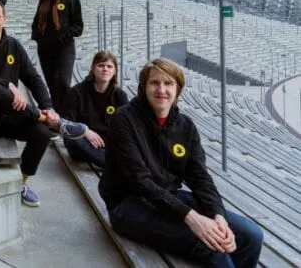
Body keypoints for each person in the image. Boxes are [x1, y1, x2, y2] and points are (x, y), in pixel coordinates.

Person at [99, 58, 264, 267]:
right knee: (211, 245)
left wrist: (217, 215)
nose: (161, 90)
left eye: (168, 83)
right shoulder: (124, 119)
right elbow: (138, 180)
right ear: (143, 87)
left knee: (252, 236)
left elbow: (200, 177)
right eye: (154, 83)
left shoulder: (186, 126)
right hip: (128, 204)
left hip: (169, 198)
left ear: (178, 89)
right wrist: (192, 218)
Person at [0, 0, 86, 207]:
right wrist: (6, 83)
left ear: (4, 19)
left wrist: (48, 106)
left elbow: (34, 79)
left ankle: (22, 182)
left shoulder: (13, 46)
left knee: (42, 133)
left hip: (8, 119)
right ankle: (55, 122)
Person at [61, 51, 129, 168]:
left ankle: (109, 160)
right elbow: (65, 123)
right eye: (101, 65)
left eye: (109, 66)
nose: (105, 69)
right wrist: (85, 131)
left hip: (107, 144)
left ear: (114, 71)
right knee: (73, 141)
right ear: (93, 68)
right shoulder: (76, 92)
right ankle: (112, 165)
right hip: (83, 141)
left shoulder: (120, 95)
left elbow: (127, 125)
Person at [31, 0, 83, 111]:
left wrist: (62, 37)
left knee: (63, 82)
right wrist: (38, 37)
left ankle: (69, 114)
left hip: (64, 47)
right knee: (52, 85)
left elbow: (78, 26)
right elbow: (35, 23)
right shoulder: (44, 1)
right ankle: (58, 119)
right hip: (45, 49)